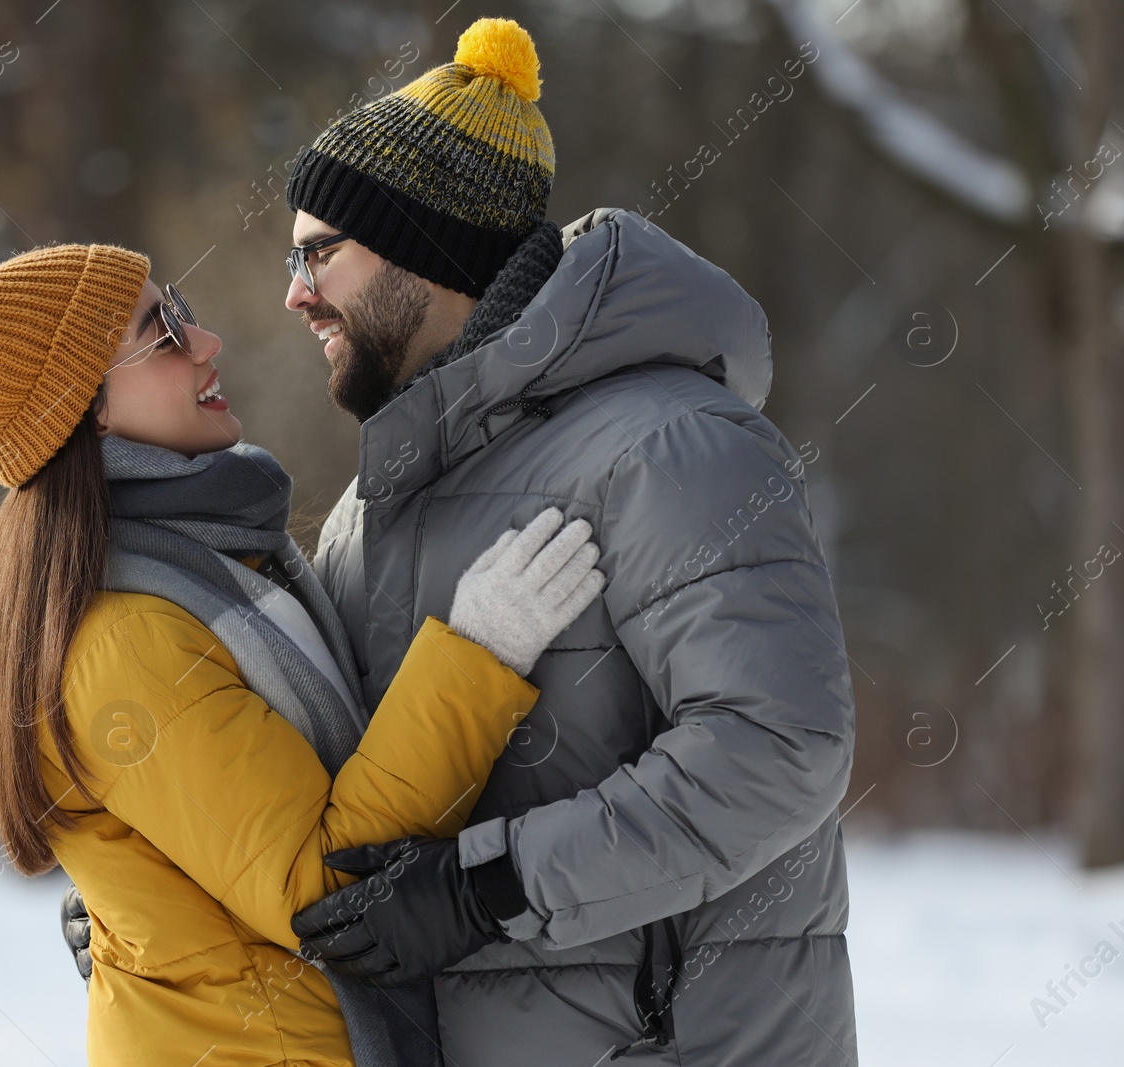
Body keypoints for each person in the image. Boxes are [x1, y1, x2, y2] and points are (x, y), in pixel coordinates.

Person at [0, 242, 608, 1067]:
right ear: (87, 407)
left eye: (181, 311)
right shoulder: (126, 634)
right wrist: (478, 654)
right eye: (162, 333)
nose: (205, 343)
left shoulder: (210, 558)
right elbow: (327, 888)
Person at [280, 16, 860, 1066]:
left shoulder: (674, 445)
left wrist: (486, 887)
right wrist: (171, 886)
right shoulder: (374, 504)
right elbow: (341, 790)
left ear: (429, 249)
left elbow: (778, 746)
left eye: (321, 252)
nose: (295, 293)